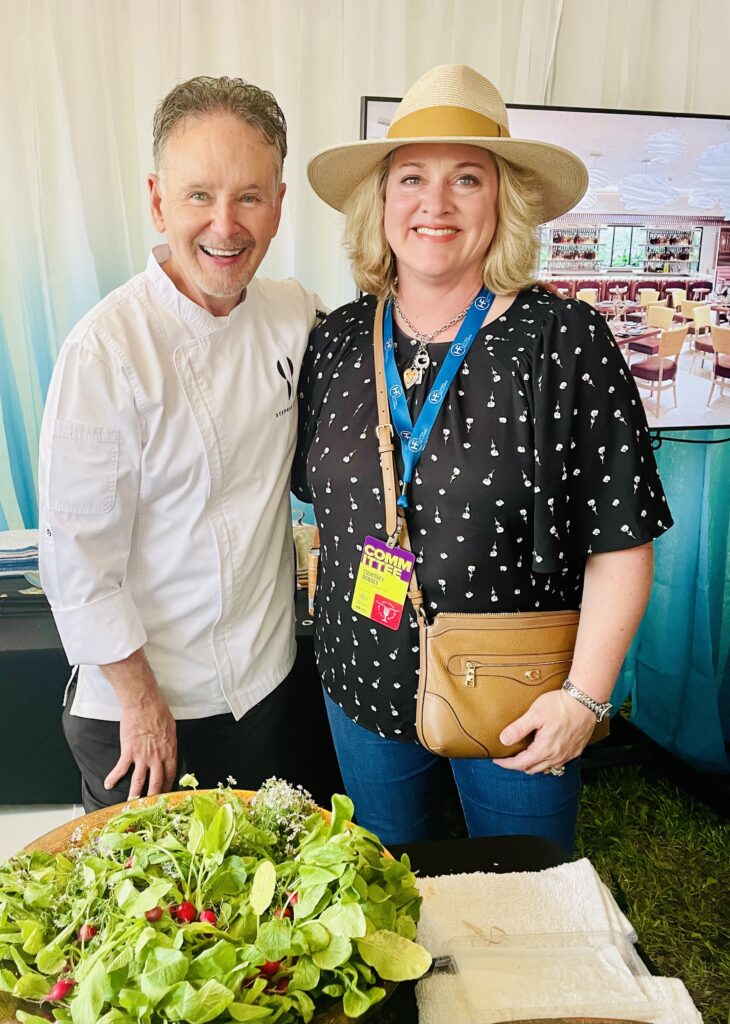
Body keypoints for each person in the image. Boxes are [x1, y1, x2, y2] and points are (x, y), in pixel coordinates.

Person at [294, 64, 672, 852]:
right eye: (411, 179)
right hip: (361, 681)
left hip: (518, 695)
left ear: (504, 201)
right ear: (382, 203)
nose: (435, 204)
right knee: (391, 898)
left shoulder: (566, 342)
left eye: (467, 178)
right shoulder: (332, 342)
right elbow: (326, 520)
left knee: (523, 909)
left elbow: (622, 544)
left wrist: (586, 699)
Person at [38, 76, 322, 811]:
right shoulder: (105, 351)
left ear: (280, 205)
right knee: (160, 915)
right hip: (145, 711)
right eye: (198, 195)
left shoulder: (292, 313)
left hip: (266, 687)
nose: (224, 226)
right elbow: (77, 563)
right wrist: (140, 701)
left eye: (249, 197)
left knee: (276, 907)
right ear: (158, 199)